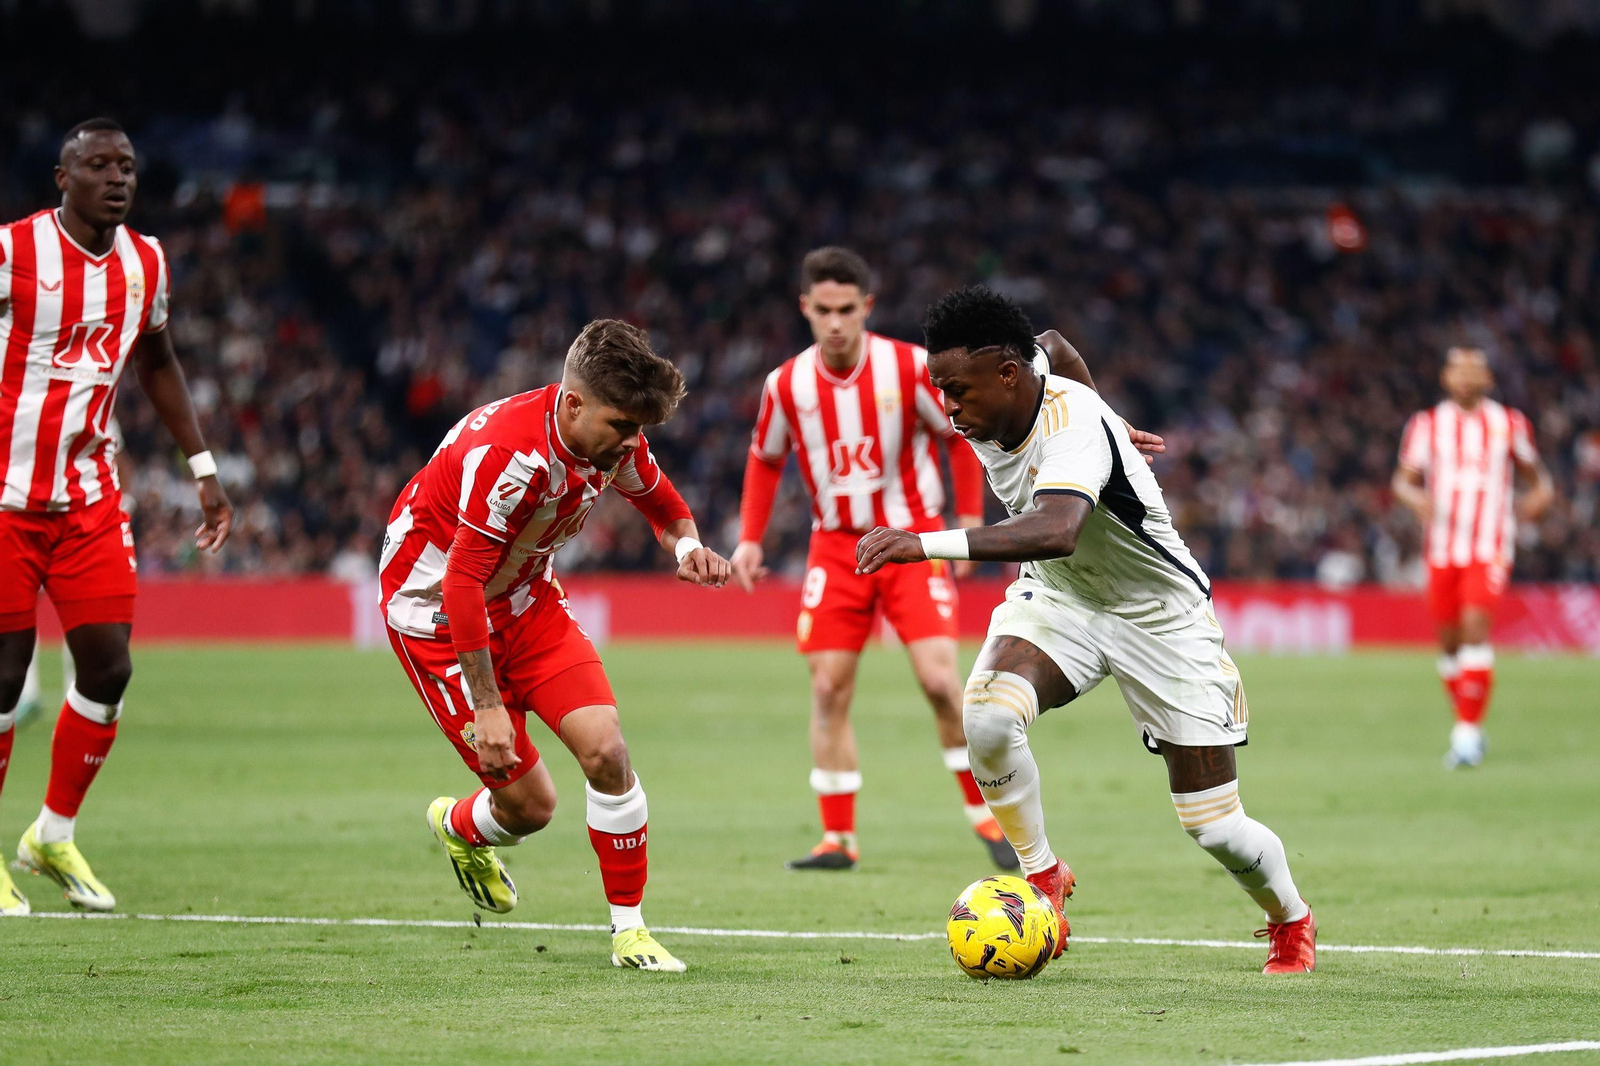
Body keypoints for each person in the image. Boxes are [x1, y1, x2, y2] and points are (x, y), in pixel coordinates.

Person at [855, 286, 1316, 974]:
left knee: (1214, 826)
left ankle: (1291, 919)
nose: (948, 407)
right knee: (984, 716)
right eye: (940, 390)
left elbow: (1057, 530)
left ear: (1008, 376)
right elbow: (1059, 340)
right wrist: (1117, 420)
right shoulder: (1022, 375)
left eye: (957, 390)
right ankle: (1042, 875)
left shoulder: (1068, 427)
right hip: (1063, 601)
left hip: (1159, 617)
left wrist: (923, 544)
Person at [381, 318, 730, 972]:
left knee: (607, 751)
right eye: (623, 426)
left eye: (640, 429)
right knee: (532, 809)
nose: (633, 442)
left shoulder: (612, 441)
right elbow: (461, 584)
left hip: (525, 597)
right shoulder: (511, 458)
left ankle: (629, 932)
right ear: (573, 405)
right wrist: (488, 708)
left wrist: (687, 547)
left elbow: (662, 504)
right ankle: (459, 826)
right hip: (435, 612)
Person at [0, 119, 233, 917]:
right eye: (97, 165)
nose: (116, 177)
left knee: (108, 669)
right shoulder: (12, 253)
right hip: (4, 497)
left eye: (126, 166)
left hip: (90, 497)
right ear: (61, 177)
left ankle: (51, 834)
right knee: (2, 677)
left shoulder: (147, 261)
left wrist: (202, 469)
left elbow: (158, 361)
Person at [732, 247, 1016, 871]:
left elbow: (959, 434)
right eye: (823, 310)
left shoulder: (911, 369)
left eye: (846, 310)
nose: (835, 323)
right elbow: (765, 457)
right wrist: (751, 536)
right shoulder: (787, 384)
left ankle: (989, 823)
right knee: (829, 688)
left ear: (867, 307)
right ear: (805, 308)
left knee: (942, 682)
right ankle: (837, 839)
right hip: (835, 548)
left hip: (912, 540)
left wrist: (967, 521)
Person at [1392, 347, 1553, 768]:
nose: (1464, 378)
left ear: (1488, 380)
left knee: (1475, 628)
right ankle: (1471, 727)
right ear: (1445, 378)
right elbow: (1402, 482)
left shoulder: (1509, 424)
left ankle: (1463, 737)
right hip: (1442, 546)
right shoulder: (1426, 425)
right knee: (1449, 643)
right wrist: (1414, 497)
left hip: (1490, 544)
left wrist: (1536, 502)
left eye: (1473, 371)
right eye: (1457, 370)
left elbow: (1540, 482)